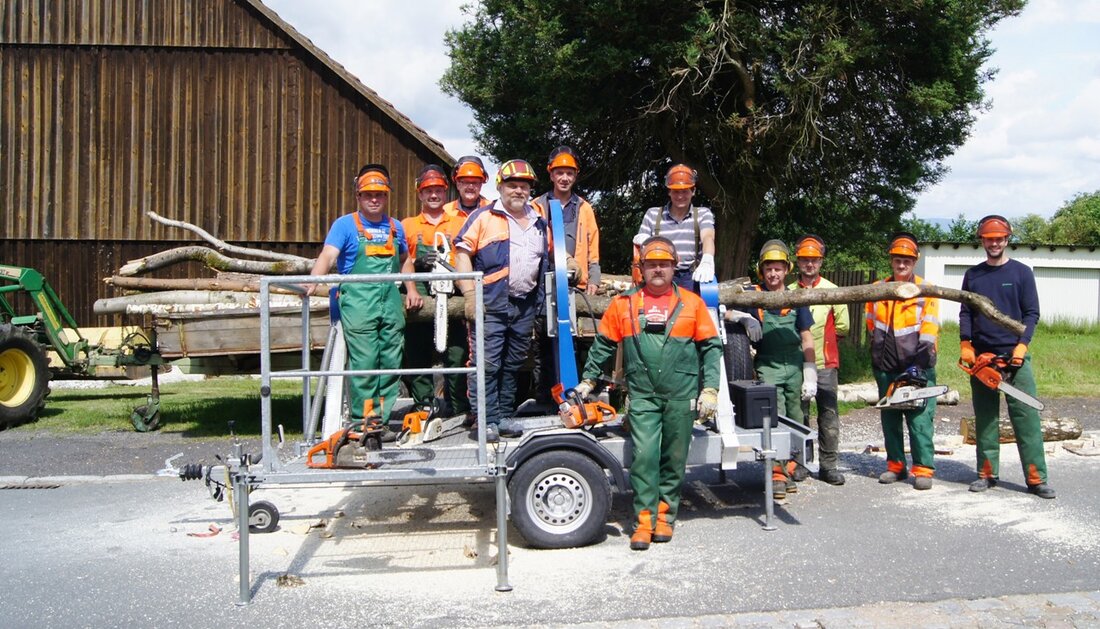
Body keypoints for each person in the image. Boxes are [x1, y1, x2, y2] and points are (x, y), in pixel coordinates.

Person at [575, 236, 722, 551]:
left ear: (674, 267)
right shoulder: (624, 304)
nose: (658, 270)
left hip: (681, 395)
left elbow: (711, 348)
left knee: (674, 458)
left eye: (663, 264)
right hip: (642, 395)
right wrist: (588, 380)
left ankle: (665, 517)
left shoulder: (692, 304)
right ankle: (643, 521)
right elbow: (604, 344)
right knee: (644, 458)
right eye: (652, 264)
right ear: (641, 268)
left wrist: (710, 389)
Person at [310, 164, 421, 438]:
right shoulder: (345, 225)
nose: (374, 199)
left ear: (386, 196)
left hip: (390, 302)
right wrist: (313, 280)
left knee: (391, 363)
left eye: (379, 195)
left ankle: (380, 421)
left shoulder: (395, 227)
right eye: (368, 194)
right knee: (365, 363)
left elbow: (405, 260)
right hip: (359, 303)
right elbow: (328, 255)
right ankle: (364, 422)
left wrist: (412, 289)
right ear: (358, 196)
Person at [453, 159, 549, 442]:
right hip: (491, 304)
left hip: (525, 304)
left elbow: (551, 253)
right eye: (512, 185)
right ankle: (485, 420)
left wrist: (570, 261)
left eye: (524, 186)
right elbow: (462, 254)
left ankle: (504, 416)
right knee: (487, 363)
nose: (518, 191)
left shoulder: (538, 220)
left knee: (513, 363)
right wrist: (469, 294)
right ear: (500, 187)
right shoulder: (484, 217)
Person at [960, 216, 1055, 499]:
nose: (994, 243)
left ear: (1007, 239)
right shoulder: (973, 275)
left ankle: (1036, 479)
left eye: (999, 238)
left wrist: (1022, 346)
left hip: (1015, 357)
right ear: (982, 241)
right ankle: (986, 474)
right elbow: (966, 312)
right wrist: (965, 343)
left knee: (1026, 418)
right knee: (986, 418)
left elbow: (1032, 313)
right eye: (989, 239)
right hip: (983, 358)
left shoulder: (1022, 273)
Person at [865, 232, 940, 490]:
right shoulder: (877, 288)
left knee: (919, 418)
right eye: (897, 260)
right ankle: (895, 465)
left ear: (914, 261)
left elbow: (929, 329)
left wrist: (919, 363)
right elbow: (871, 324)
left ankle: (923, 468)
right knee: (890, 418)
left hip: (918, 362)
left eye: (906, 261)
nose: (901, 265)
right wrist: (878, 352)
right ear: (891, 260)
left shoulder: (926, 290)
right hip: (885, 362)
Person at [400, 165, 470, 420]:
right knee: (417, 353)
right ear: (420, 194)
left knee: (457, 353)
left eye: (438, 190)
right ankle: (424, 406)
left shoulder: (460, 223)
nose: (433, 195)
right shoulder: (407, 225)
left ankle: (458, 406)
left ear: (445, 192)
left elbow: (470, 255)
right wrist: (417, 262)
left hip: (453, 294)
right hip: (419, 293)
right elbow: (399, 261)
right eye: (428, 190)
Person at [749, 239, 817, 498]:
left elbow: (807, 337)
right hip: (768, 366)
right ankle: (776, 474)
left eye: (777, 268)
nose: (773, 274)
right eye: (768, 269)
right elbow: (726, 313)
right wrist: (742, 317)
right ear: (761, 270)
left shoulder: (796, 298)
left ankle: (790, 468)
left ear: (786, 269)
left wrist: (809, 372)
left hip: (795, 366)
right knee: (774, 419)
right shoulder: (753, 296)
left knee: (796, 417)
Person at [788, 234, 849, 486]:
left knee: (829, 416)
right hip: (795, 363)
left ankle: (828, 466)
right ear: (798, 261)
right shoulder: (788, 292)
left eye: (814, 260)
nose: (809, 264)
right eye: (805, 259)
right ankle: (800, 464)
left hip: (826, 364)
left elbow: (843, 326)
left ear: (821, 261)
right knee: (798, 415)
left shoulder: (833, 291)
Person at [633, 164, 716, 291]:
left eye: (685, 191)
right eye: (676, 191)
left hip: (692, 277)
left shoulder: (703, 214)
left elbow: (708, 237)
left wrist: (707, 259)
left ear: (693, 191)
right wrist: (644, 242)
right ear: (669, 192)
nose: (680, 196)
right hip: (659, 275)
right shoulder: (653, 214)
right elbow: (641, 252)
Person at [531, 146, 601, 294]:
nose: (564, 178)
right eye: (559, 173)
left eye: (569, 173)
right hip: (542, 284)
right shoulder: (536, 206)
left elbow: (593, 246)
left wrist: (594, 277)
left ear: (575, 176)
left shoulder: (584, 208)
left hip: (576, 283)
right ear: (551, 175)